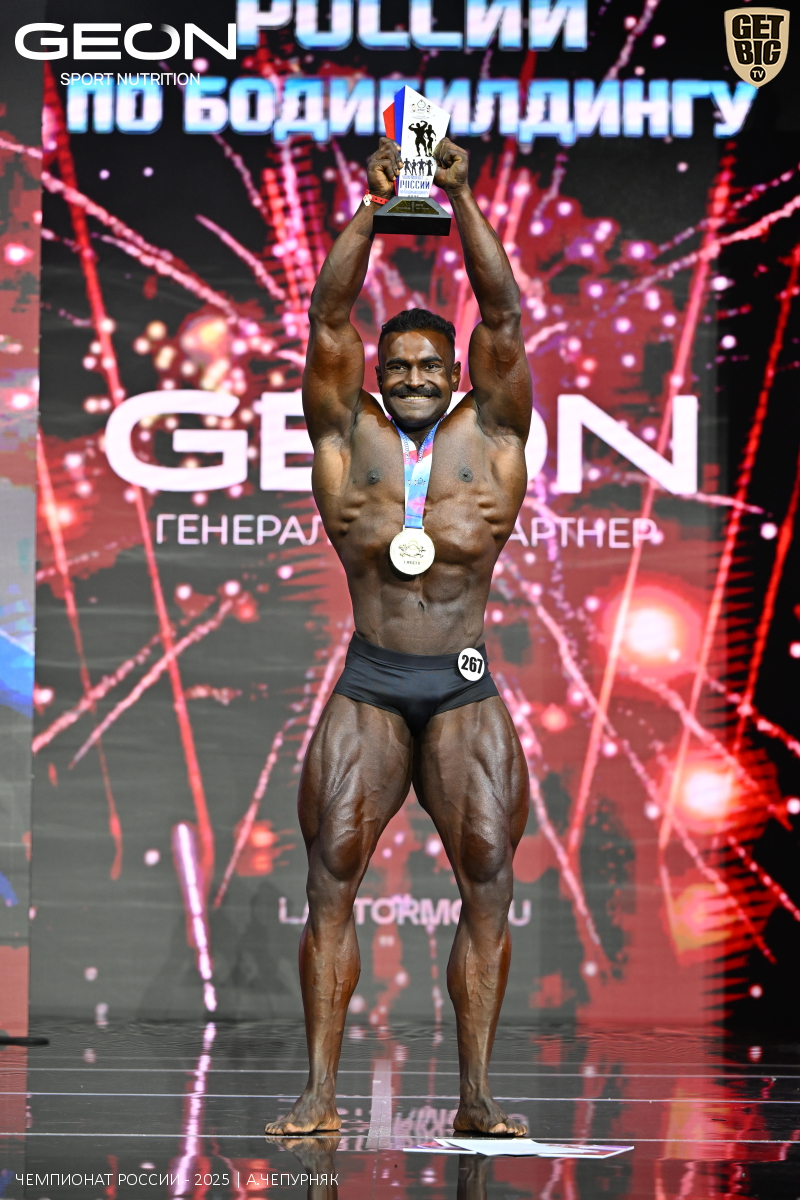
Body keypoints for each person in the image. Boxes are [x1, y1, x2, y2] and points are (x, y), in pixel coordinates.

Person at [264, 136, 532, 1138]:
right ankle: (319, 1097)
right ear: (377, 376)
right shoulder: (348, 435)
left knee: (487, 879)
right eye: (398, 366)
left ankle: (477, 1097)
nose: (415, 376)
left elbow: (503, 318)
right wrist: (374, 209)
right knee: (329, 874)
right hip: (371, 683)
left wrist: (458, 199)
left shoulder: (492, 436)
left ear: (455, 373)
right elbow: (326, 318)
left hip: (462, 687)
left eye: (430, 364)